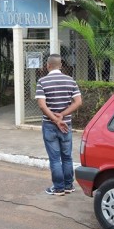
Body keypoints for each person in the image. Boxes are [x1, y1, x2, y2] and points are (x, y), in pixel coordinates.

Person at [36, 54, 82, 196]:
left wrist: (56, 120)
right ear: (61, 65)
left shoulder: (42, 82)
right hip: (66, 125)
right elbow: (78, 102)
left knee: (55, 158)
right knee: (67, 157)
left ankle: (58, 188)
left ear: (48, 65)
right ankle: (68, 186)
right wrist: (62, 116)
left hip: (50, 125)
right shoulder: (70, 81)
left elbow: (42, 106)